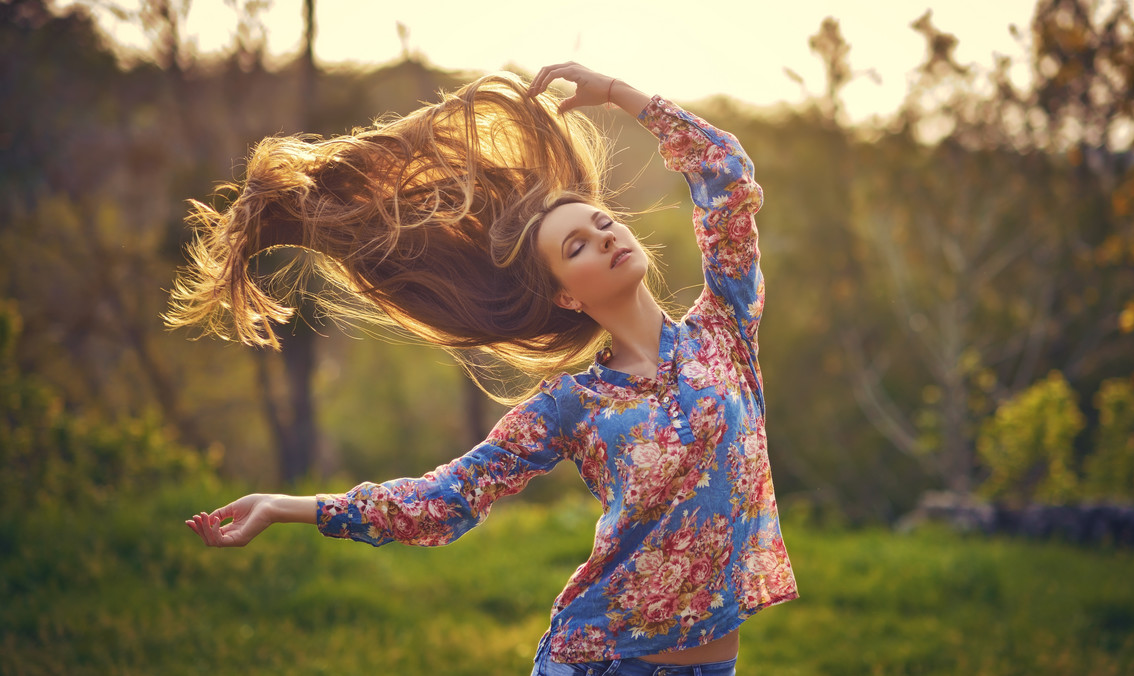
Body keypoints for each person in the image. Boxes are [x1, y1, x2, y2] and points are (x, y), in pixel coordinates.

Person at [177, 62, 797, 675]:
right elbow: (447, 500)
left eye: (603, 222)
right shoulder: (571, 406)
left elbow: (725, 172)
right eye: (576, 245)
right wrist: (289, 506)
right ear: (566, 297)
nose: (605, 236)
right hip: (600, 662)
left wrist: (617, 94)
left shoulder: (724, 329)